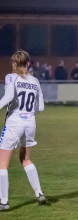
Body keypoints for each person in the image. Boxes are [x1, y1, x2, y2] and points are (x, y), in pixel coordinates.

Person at [0, 50, 47, 210]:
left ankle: (4, 202)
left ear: (13, 63)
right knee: (26, 159)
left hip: (14, 123)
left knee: (2, 164)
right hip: (30, 123)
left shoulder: (11, 77)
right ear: (28, 64)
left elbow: (8, 97)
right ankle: (39, 193)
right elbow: (40, 107)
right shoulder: (34, 80)